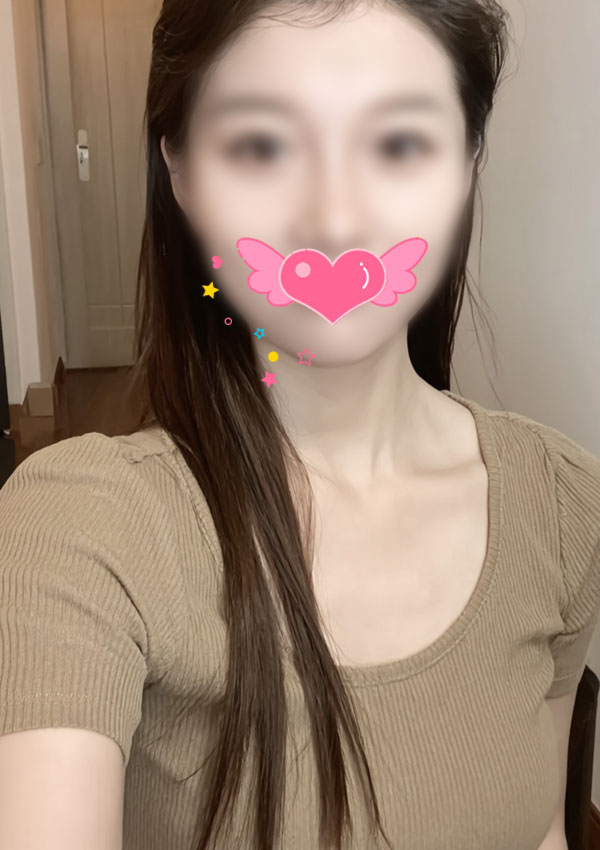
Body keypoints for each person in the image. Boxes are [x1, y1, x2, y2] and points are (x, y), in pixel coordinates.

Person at [1, 0, 599, 848]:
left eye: (399, 143)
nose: (334, 223)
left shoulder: (565, 506)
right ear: (180, 169)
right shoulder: (81, 530)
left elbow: (541, 831)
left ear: (468, 159)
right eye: (261, 145)